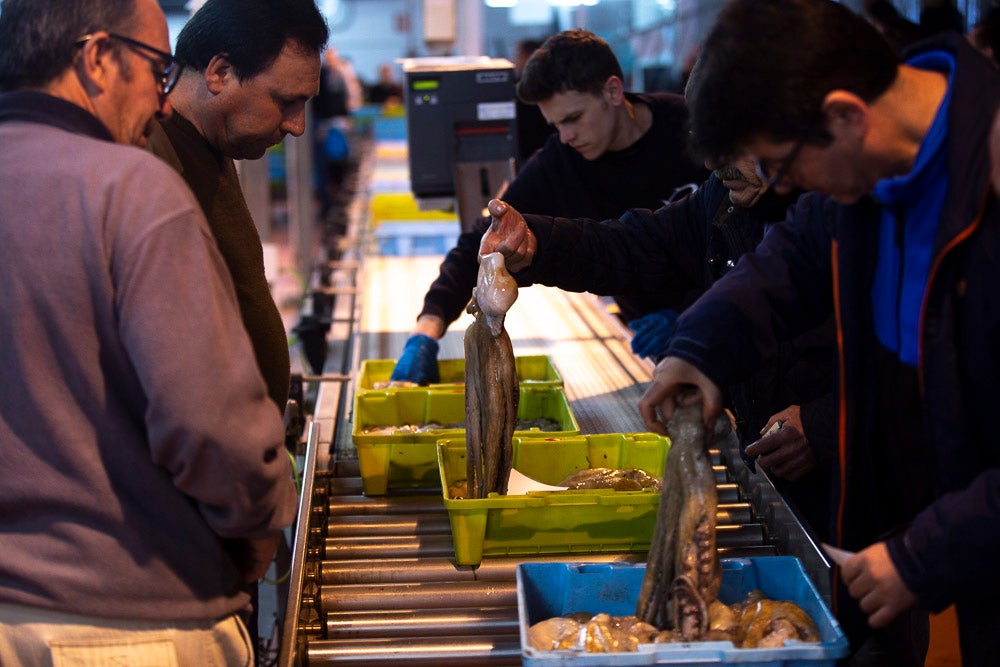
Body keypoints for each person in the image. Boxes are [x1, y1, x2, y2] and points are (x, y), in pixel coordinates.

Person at [639, 0, 1000, 663]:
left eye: (778, 165)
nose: (784, 186)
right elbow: (795, 257)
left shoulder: (986, 176)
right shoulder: (869, 175)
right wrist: (699, 350)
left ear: (844, 115)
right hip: (915, 549)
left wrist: (924, 554)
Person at [0, 0, 297, 664]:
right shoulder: (130, 188)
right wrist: (257, 525)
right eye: (156, 69)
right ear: (97, 57)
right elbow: (211, 424)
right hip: (127, 624)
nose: (164, 103)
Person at [480, 158, 836, 536]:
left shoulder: (853, 203)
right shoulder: (730, 197)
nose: (712, 162)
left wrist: (825, 423)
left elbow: (899, 366)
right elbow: (644, 243)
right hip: (777, 477)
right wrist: (539, 243)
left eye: (731, 141)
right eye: (707, 144)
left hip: (863, 493)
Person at [391, 29, 707, 385]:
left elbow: (748, 240)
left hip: (728, 322)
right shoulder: (564, 159)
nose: (566, 136)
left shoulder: (693, 130)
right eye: (555, 125)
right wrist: (427, 328)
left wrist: (694, 315)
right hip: (654, 342)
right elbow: (484, 237)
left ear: (613, 91)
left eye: (572, 118)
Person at [147, 0, 328, 415]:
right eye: (285, 102)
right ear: (219, 73)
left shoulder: (213, 143)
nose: (296, 126)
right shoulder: (151, 169)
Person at [512, 37, 555, 165]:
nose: (515, 60)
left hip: (528, 154)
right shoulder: (548, 86)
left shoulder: (520, 89)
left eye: (518, 55)